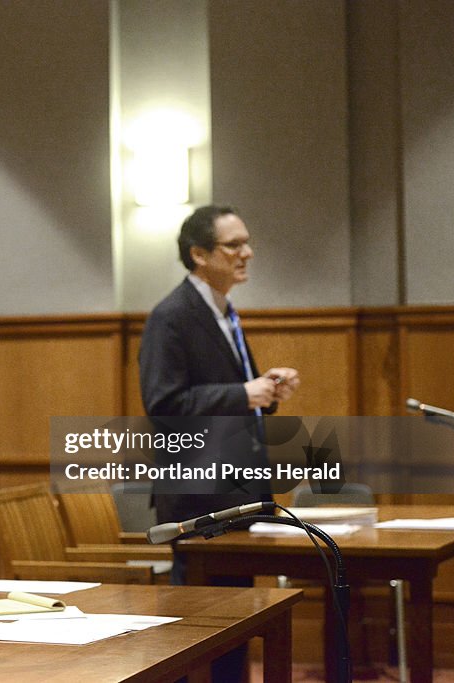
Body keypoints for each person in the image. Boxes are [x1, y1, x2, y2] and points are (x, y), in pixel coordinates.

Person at [138, 204, 299, 681]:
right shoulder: (171, 316)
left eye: (247, 243)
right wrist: (242, 392)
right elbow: (163, 404)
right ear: (199, 255)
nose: (247, 253)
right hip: (197, 496)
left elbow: (224, 393)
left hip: (235, 492)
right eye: (234, 245)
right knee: (196, 631)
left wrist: (264, 391)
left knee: (236, 622)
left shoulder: (224, 312)